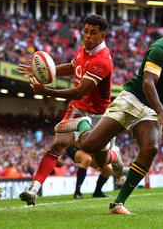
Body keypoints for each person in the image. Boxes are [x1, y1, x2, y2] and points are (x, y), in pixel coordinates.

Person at [55, 4, 163, 214]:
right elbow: (148, 83)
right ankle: (82, 122)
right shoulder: (160, 48)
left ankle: (118, 203)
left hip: (151, 110)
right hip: (131, 100)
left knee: (151, 148)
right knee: (90, 146)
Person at [17, 15, 122, 206]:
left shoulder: (102, 60)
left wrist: (46, 90)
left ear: (102, 35)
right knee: (58, 145)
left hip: (99, 116)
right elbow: (72, 67)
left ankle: (115, 153)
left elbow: (79, 91)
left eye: (93, 33)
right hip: (77, 110)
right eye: (86, 31)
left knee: (101, 162)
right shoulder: (83, 50)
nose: (88, 36)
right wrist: (45, 71)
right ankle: (33, 189)